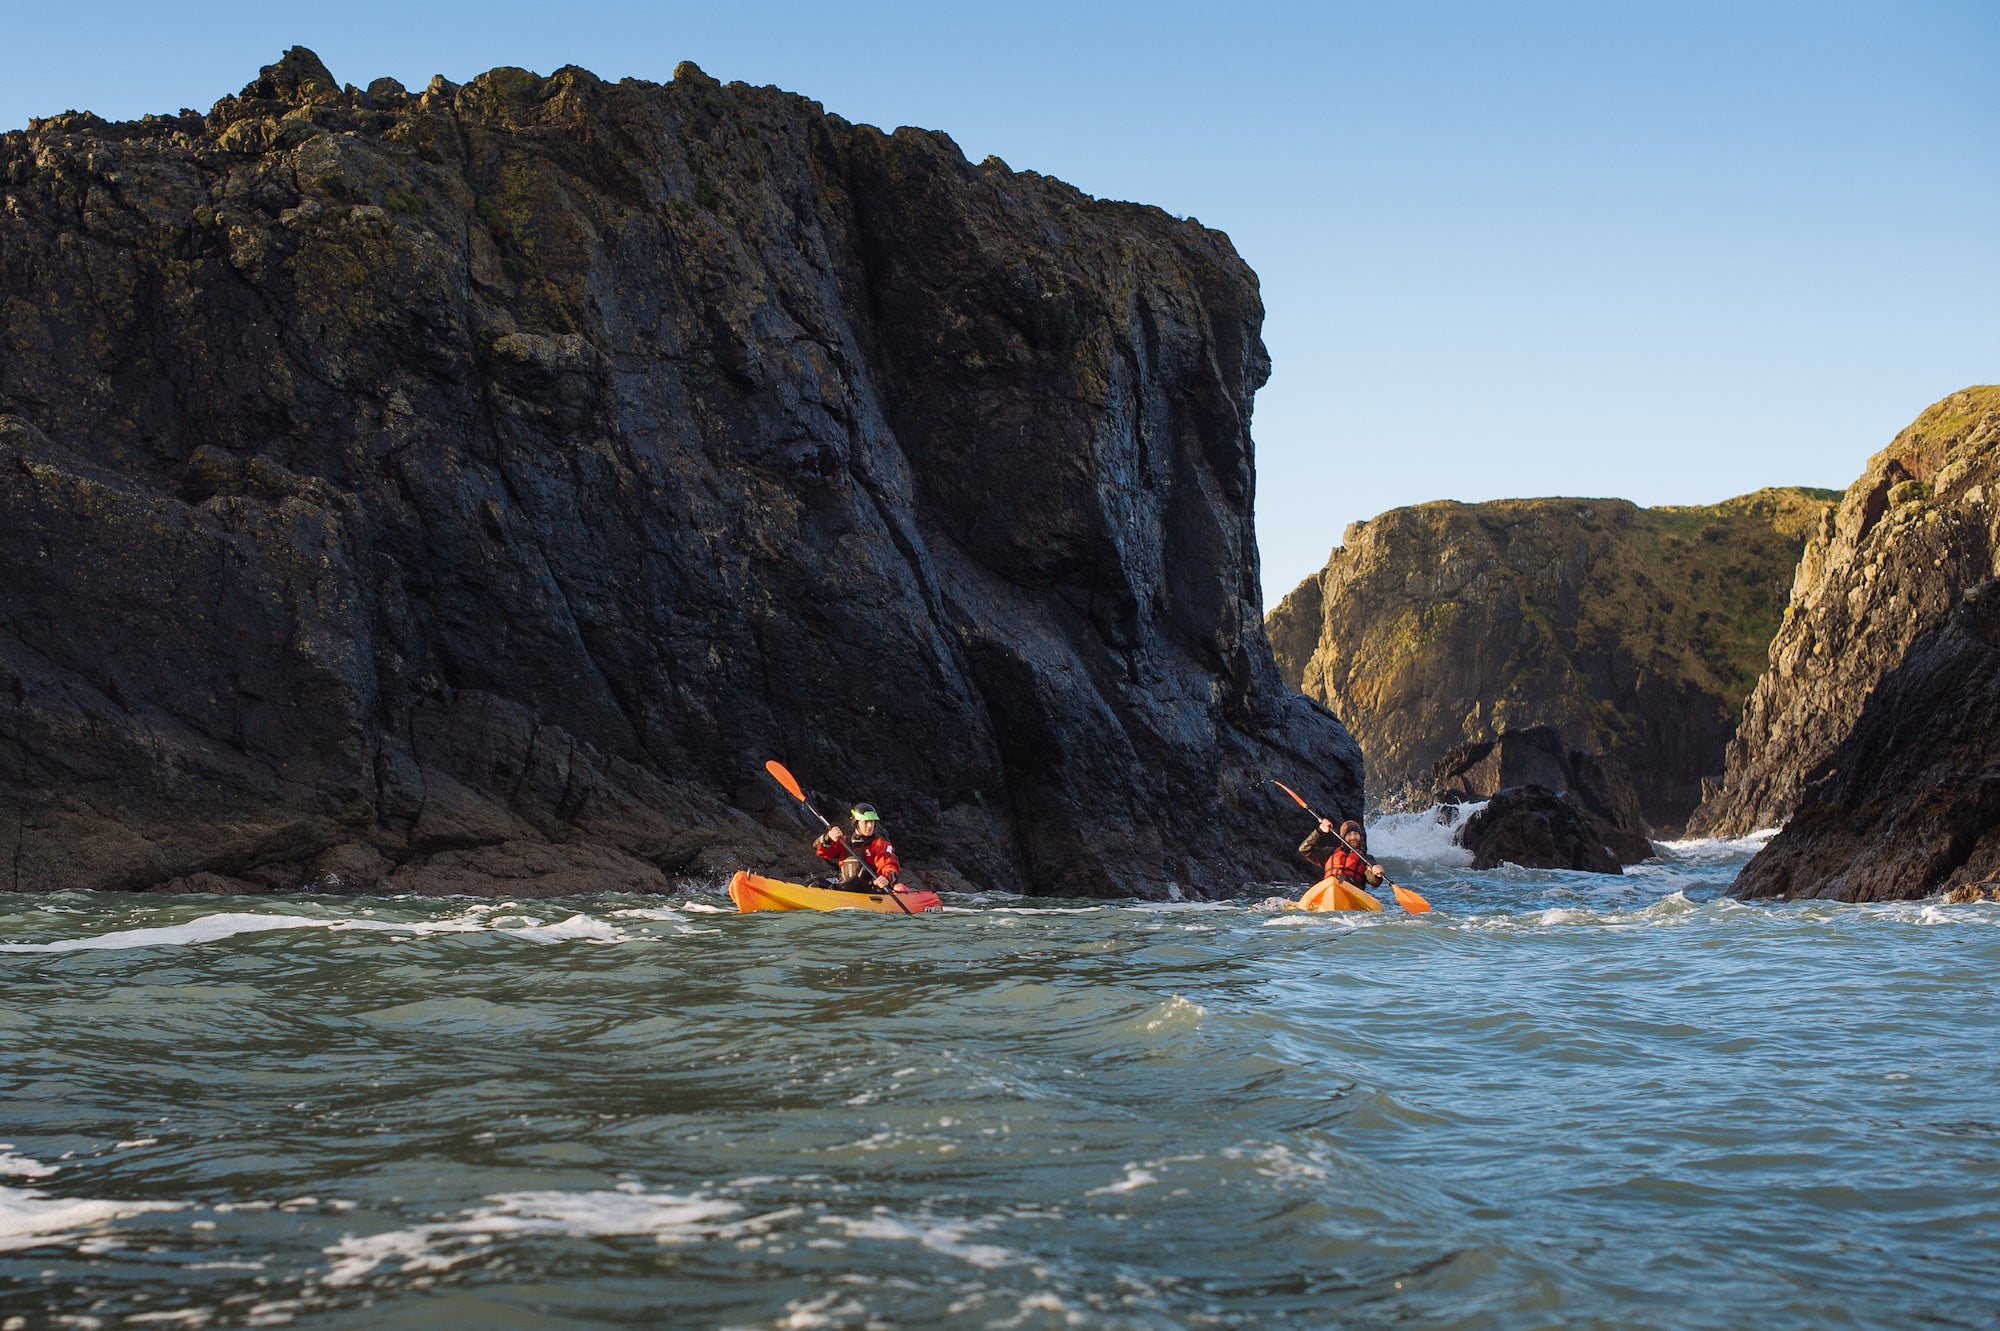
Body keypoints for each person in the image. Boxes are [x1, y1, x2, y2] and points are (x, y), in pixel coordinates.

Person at [815, 803, 905, 891]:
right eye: (866, 822)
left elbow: (889, 865)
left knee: (855, 882)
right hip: (844, 888)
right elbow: (820, 851)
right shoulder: (844, 842)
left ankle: (835, 893)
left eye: (872, 821)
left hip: (868, 890)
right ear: (856, 823)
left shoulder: (879, 845)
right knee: (816, 881)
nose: (870, 826)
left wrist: (886, 878)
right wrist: (828, 838)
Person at [1299, 818, 1385, 890]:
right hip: (1329, 889)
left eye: (1356, 834)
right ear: (1343, 837)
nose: (1353, 837)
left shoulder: (1366, 859)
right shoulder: (1329, 853)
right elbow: (1304, 849)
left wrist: (1377, 874)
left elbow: (1374, 882)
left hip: (1352, 892)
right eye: (1349, 834)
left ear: (1360, 837)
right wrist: (1319, 831)